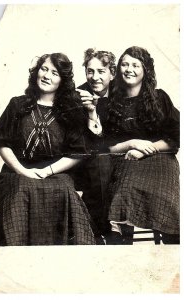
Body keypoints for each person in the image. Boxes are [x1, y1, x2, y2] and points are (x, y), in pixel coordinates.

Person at [0, 52, 96, 246]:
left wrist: (46, 171)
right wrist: (23, 171)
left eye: (54, 73)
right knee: (22, 189)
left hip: (56, 172)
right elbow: (2, 144)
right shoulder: (17, 104)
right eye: (44, 69)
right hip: (17, 172)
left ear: (62, 80)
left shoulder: (70, 111)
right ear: (36, 72)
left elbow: (77, 153)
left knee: (64, 189)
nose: (47, 76)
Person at [104, 46, 180, 244]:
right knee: (125, 189)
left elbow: (175, 138)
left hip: (161, 161)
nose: (129, 69)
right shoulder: (111, 103)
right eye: (125, 64)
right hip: (125, 161)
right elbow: (106, 147)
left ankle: (174, 244)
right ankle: (120, 240)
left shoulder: (159, 98)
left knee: (165, 197)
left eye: (135, 65)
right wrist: (131, 145)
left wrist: (146, 150)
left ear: (145, 70)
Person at [75, 48, 116, 238]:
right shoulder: (77, 96)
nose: (95, 77)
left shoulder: (122, 94)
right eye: (90, 71)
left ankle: (117, 232)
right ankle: (98, 235)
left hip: (120, 160)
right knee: (100, 165)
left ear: (112, 73)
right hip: (86, 163)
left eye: (101, 71)